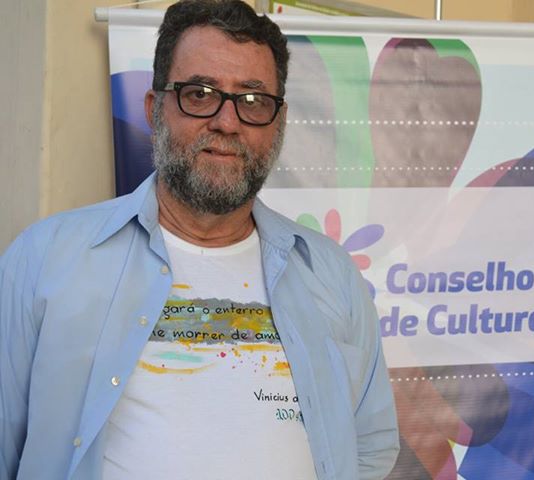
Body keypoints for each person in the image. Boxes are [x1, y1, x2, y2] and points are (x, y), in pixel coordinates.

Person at [0, 1, 399, 478]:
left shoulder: (331, 273)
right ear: (154, 109)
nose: (227, 122)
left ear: (278, 123)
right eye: (200, 93)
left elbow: (371, 446)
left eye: (253, 100)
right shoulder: (44, 259)